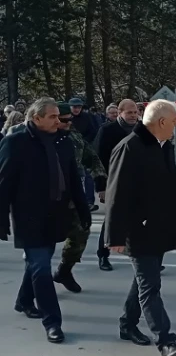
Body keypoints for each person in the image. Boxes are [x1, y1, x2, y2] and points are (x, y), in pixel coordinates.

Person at [0, 97, 91, 344]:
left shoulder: (63, 142)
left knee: (36, 263)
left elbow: (73, 179)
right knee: (41, 267)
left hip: (56, 214)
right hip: (28, 217)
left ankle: (24, 300)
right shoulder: (15, 142)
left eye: (57, 116)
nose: (57, 120)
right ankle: (53, 322)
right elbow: (4, 183)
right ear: (36, 118)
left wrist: (84, 210)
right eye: (51, 116)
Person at [104, 99, 176, 356]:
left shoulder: (163, 145)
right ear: (161, 122)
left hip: (160, 228)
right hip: (138, 230)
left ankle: (127, 324)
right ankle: (166, 341)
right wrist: (114, 236)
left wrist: (175, 222)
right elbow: (117, 195)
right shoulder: (129, 148)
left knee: (144, 280)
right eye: (174, 122)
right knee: (150, 285)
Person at [53, 103, 107, 294]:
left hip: (72, 194)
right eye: (64, 120)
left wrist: (100, 181)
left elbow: (92, 159)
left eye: (70, 119)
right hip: (46, 198)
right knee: (40, 249)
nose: (68, 123)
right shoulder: (40, 140)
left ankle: (65, 270)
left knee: (81, 229)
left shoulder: (74, 138)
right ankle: (28, 293)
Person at [93, 98, 139, 271]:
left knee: (139, 221)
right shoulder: (108, 130)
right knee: (112, 221)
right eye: (129, 112)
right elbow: (98, 160)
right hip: (113, 182)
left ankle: (144, 257)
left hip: (136, 183)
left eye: (135, 112)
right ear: (120, 113)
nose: (133, 116)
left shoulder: (141, 129)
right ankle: (103, 255)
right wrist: (101, 187)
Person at [69, 97, 101, 211]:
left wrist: (83, 142)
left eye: (79, 107)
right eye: (74, 107)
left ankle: (89, 202)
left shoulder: (88, 117)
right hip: (70, 149)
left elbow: (94, 131)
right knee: (74, 175)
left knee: (88, 176)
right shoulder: (67, 118)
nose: (77, 109)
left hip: (85, 147)